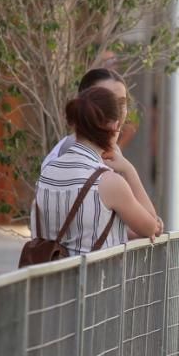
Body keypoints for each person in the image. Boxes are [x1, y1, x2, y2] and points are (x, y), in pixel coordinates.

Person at [32, 86, 162, 252]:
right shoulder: (109, 182)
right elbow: (152, 227)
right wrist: (129, 170)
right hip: (97, 277)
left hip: (53, 276)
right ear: (115, 127)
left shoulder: (48, 170)